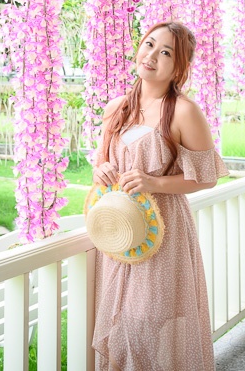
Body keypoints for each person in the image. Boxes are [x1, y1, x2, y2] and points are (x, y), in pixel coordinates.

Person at [92, 21, 229, 371]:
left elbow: (207, 177)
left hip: (162, 231)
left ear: (179, 67)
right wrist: (102, 172)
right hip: (120, 231)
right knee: (122, 322)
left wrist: (155, 183)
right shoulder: (116, 108)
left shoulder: (184, 111)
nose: (152, 55)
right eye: (149, 44)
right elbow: (100, 165)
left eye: (165, 52)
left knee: (152, 322)